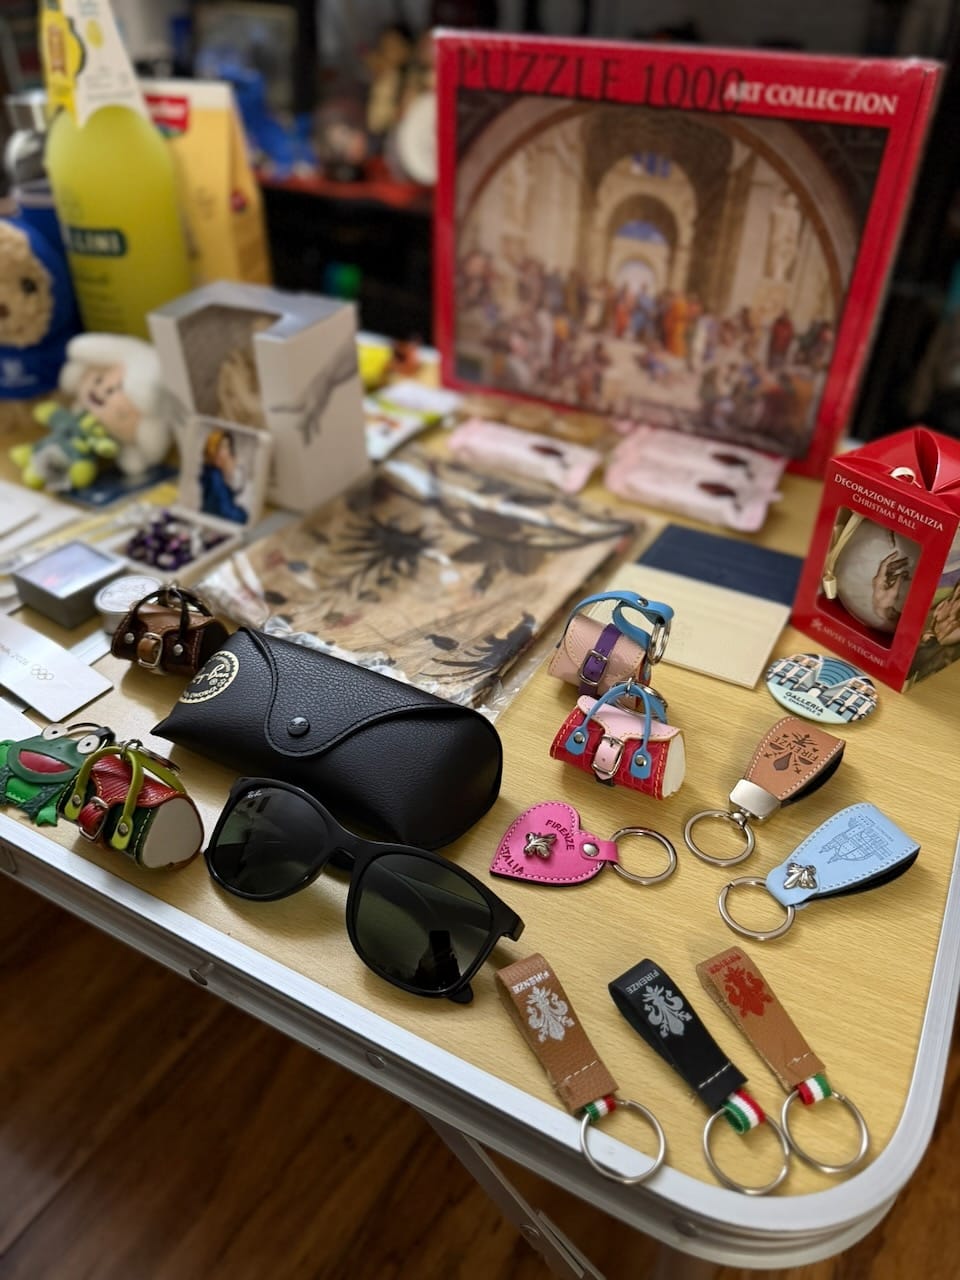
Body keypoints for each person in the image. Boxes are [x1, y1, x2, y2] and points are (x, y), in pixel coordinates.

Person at [200, 429, 248, 524]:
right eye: (219, 447)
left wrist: (229, 473)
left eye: (226, 447)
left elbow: (237, 490)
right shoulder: (214, 475)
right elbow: (226, 512)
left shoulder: (219, 473)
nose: (223, 452)